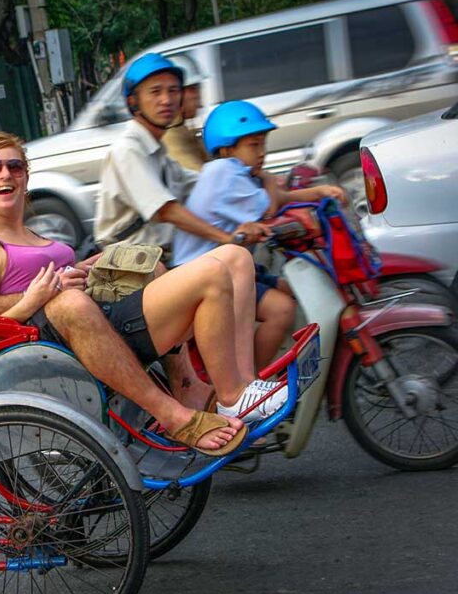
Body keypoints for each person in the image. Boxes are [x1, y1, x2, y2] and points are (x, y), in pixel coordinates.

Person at [0, 123, 247, 456]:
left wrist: (75, 271)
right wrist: (38, 294)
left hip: (52, 324)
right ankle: (182, 409)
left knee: (146, 264)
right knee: (74, 302)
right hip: (6, 359)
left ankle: (191, 384)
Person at [0, 132, 287, 426]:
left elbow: (59, 276)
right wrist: (33, 299)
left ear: (26, 178)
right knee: (212, 274)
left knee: (236, 259)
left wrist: (92, 266)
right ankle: (231, 397)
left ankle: (244, 383)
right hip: (75, 343)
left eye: (15, 166)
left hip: (101, 314)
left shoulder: (31, 234)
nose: (5, 174)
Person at [173, 100, 347, 367]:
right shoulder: (223, 173)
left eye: (263, 144)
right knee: (282, 310)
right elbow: (270, 207)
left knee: (294, 289)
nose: (262, 153)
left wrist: (320, 192)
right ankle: (252, 383)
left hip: (230, 268)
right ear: (227, 148)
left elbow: (278, 197)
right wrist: (268, 180)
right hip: (203, 277)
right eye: (253, 145)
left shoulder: (236, 173)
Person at [94, 53, 268, 260]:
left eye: (173, 91)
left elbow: (204, 182)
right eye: (155, 92)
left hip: (163, 256)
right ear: (134, 102)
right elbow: (167, 211)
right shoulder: (128, 151)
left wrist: (264, 178)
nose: (166, 100)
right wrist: (227, 238)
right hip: (132, 264)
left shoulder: (160, 153)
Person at [162, 55, 207, 172]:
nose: (197, 96)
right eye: (193, 89)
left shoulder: (182, 130)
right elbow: (201, 178)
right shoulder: (171, 138)